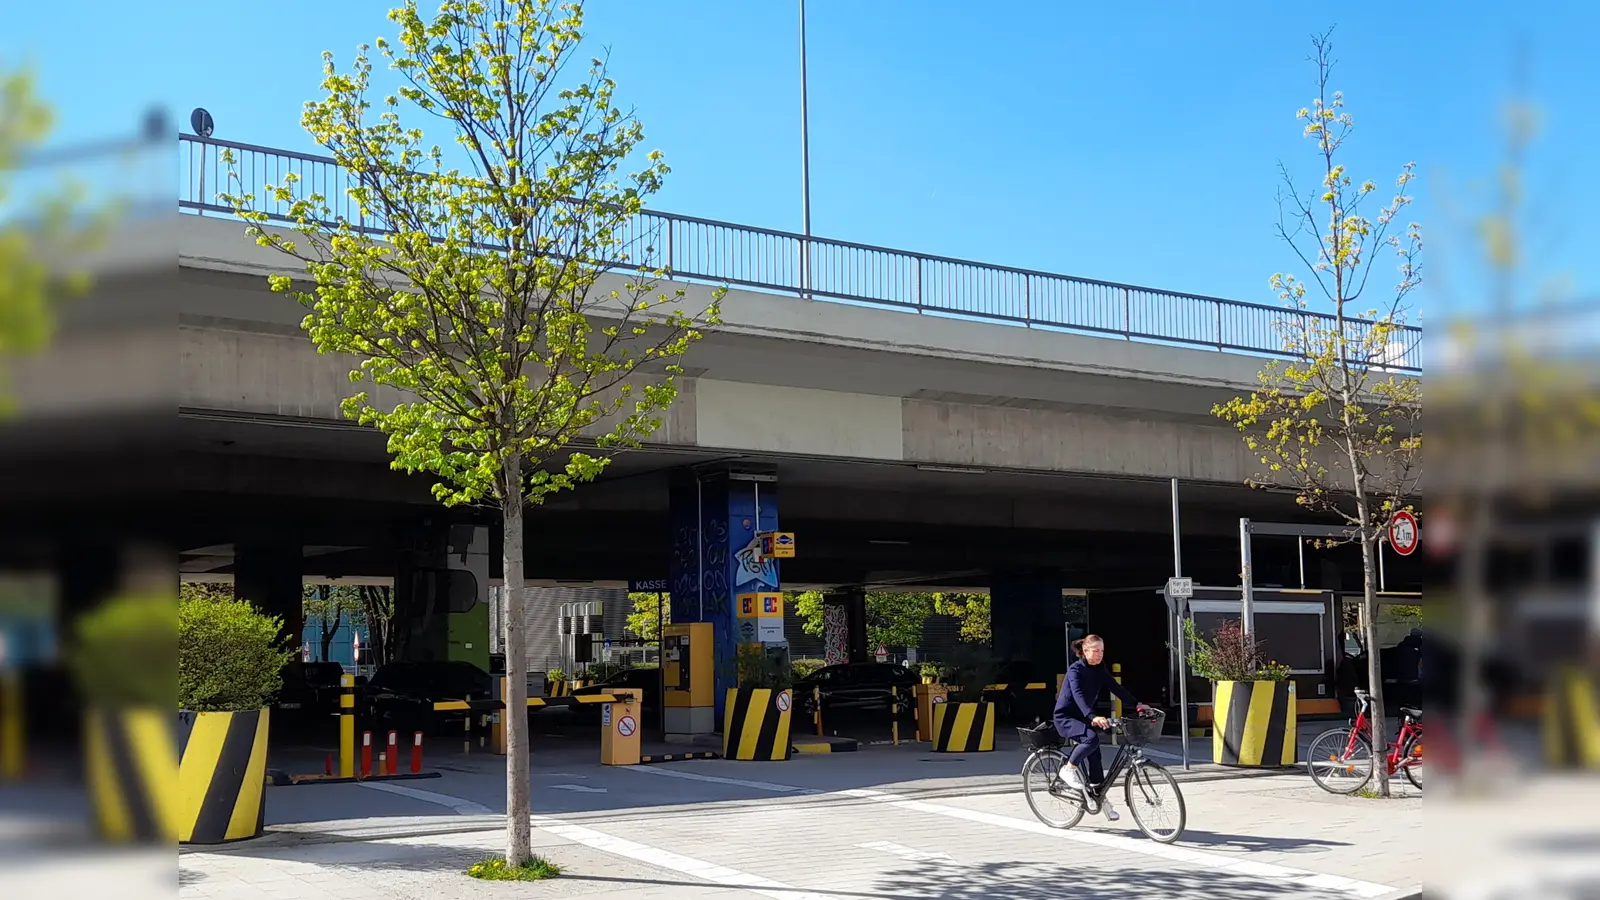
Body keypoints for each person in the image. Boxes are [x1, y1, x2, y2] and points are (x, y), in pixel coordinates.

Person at [1053, 633, 1147, 821]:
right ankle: (1068, 768)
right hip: (1067, 717)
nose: (1099, 654)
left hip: (1085, 718)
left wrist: (1137, 704)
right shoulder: (1075, 671)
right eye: (1095, 651)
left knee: (1096, 757)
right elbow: (1078, 695)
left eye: (1102, 651)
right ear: (1085, 652)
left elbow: (1115, 687)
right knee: (1091, 739)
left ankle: (1099, 797)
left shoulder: (1100, 669)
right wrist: (1093, 716)